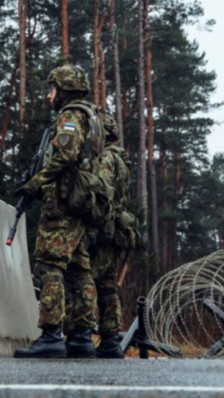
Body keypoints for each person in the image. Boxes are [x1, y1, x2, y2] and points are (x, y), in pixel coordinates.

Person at [13, 64, 100, 358]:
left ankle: (51, 335)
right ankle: (81, 337)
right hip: (78, 204)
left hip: (62, 205)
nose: (49, 96)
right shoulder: (90, 117)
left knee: (50, 266)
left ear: (64, 90)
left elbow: (64, 155)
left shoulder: (72, 116)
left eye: (52, 89)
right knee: (79, 270)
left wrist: (33, 185)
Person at [90, 113, 132, 358]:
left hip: (105, 228)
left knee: (88, 280)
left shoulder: (106, 158)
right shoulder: (122, 160)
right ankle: (110, 339)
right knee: (107, 286)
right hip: (116, 229)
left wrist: (93, 224)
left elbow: (101, 192)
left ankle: (82, 335)